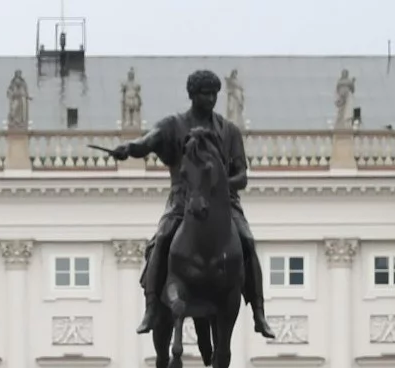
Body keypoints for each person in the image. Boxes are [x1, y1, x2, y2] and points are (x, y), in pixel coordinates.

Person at [107, 70, 275, 339]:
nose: (210, 99)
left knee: (247, 241)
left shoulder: (229, 132)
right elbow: (147, 142)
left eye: (214, 94)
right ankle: (151, 308)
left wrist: (220, 187)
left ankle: (258, 312)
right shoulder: (174, 125)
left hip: (224, 204)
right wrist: (129, 148)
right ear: (192, 95)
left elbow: (242, 176)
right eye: (204, 94)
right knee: (162, 239)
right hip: (183, 201)